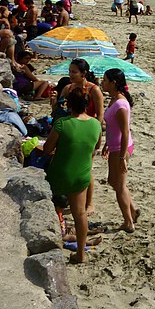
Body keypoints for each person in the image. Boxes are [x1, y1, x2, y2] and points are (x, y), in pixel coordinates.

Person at [43, 87, 102, 263]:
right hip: (81, 175)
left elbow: (47, 149)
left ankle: (55, 240)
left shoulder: (62, 123)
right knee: (80, 214)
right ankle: (80, 254)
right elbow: (96, 147)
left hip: (59, 175)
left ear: (69, 104)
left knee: (55, 210)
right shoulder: (96, 124)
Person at [101, 69, 139, 233]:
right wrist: (107, 143)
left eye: (105, 80)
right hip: (115, 146)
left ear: (113, 83)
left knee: (120, 186)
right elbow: (112, 127)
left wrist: (122, 157)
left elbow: (125, 131)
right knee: (114, 181)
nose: (102, 83)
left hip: (121, 148)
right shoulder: (113, 100)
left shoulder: (120, 104)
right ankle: (133, 210)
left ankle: (128, 222)